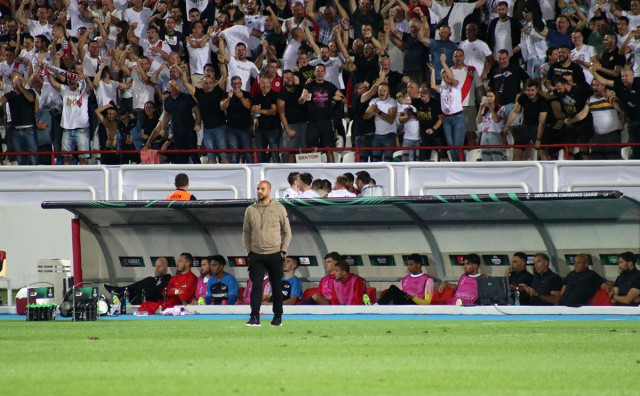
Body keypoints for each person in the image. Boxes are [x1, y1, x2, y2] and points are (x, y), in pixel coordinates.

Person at [242, 180, 292, 327]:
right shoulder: (250, 210)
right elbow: (246, 232)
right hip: (256, 255)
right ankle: (254, 317)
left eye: (262, 189)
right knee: (256, 287)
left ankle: (277, 317)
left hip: (275, 253)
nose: (259, 191)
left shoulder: (279, 208)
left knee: (276, 287)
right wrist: (249, 251)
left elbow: (287, 232)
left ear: (269, 190)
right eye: (258, 188)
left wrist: (283, 251)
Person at [591, 67, 640, 160]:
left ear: (633, 76)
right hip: (631, 120)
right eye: (622, 76)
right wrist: (594, 72)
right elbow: (604, 81)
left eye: (627, 76)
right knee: (635, 146)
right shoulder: (620, 85)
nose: (624, 78)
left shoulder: (638, 83)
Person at [299, 64, 344, 163]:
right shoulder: (309, 85)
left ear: (325, 73)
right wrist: (302, 99)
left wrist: (337, 99)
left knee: (329, 149)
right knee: (311, 149)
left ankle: (331, 170)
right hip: (312, 122)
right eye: (317, 71)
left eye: (321, 71)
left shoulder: (329, 85)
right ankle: (311, 172)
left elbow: (343, 98)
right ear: (314, 73)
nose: (319, 73)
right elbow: (301, 100)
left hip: (326, 121)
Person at [502, 79, 548, 161]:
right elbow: (515, 112)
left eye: (532, 90)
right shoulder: (523, 97)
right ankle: (515, 171)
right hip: (525, 126)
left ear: (537, 90)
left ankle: (548, 172)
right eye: (528, 90)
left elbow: (542, 123)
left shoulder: (543, 101)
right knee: (516, 150)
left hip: (537, 127)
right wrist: (507, 125)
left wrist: (538, 139)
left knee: (542, 152)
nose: (530, 93)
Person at [431, 55, 465, 162]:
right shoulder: (442, 89)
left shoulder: (457, 85)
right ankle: (455, 164)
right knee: (451, 146)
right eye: (444, 77)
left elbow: (452, 79)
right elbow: (432, 86)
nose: (446, 79)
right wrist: (432, 71)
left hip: (457, 118)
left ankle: (462, 165)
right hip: (446, 119)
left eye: (447, 76)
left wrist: (444, 63)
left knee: (457, 145)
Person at [0, 72, 37, 165]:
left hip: (30, 129)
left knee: (33, 155)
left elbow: (31, 99)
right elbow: (1, 102)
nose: (19, 82)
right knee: (20, 157)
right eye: (17, 80)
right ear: (12, 82)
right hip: (16, 130)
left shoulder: (30, 92)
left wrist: (21, 87)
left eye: (21, 80)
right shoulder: (10, 95)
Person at [104, 257, 172, 304]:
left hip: (159, 298)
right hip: (148, 296)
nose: (157, 268)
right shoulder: (155, 279)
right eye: (156, 266)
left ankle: (122, 290)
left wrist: (150, 286)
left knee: (150, 280)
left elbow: (159, 289)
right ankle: (124, 299)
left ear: (166, 268)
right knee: (139, 289)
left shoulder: (168, 278)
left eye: (160, 266)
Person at [364, 82, 398, 162]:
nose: (382, 92)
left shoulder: (392, 102)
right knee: (375, 159)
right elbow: (365, 116)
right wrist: (372, 113)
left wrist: (378, 112)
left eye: (384, 91)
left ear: (388, 92)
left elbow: (391, 119)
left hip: (389, 135)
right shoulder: (374, 101)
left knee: (388, 159)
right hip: (377, 135)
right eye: (380, 90)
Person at [477, 90, 506, 161]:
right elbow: (479, 121)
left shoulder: (501, 108)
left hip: (494, 134)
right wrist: (480, 108)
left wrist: (490, 107)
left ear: (495, 97)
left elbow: (496, 120)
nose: (489, 98)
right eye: (487, 96)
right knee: (485, 156)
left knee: (497, 156)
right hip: (484, 133)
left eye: (491, 96)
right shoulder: (484, 109)